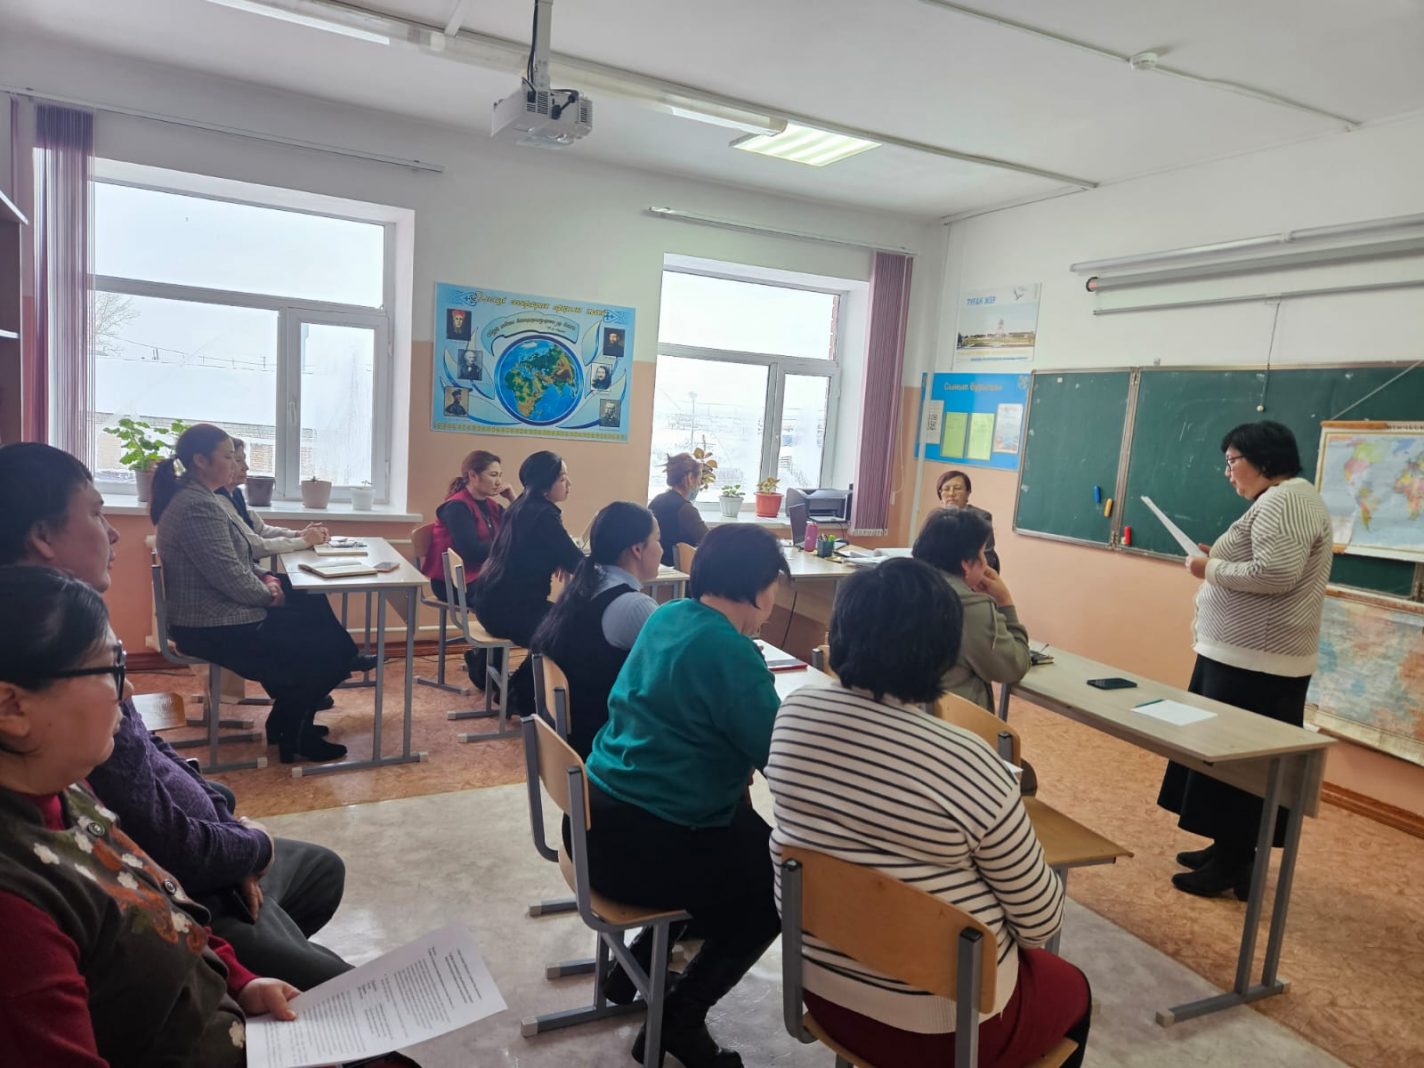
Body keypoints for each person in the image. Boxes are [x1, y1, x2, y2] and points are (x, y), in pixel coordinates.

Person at [0, 441, 351, 988]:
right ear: (42, 537)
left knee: (322, 872)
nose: (113, 532)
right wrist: (243, 851)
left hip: (200, 860)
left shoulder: (78, 632)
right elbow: (156, 846)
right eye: (95, 513)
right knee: (344, 990)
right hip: (189, 880)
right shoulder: (49, 675)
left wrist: (227, 826)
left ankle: (254, 946)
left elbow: (148, 749)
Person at [766, 558, 1090, 1068]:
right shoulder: (969, 763)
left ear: (838, 631)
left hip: (824, 995)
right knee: (1072, 988)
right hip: (945, 1031)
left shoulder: (794, 713)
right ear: (943, 651)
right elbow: (1040, 921)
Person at [0, 565, 300, 1065]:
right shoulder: (14, 913)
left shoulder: (65, 789)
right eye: (110, 670)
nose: (129, 689)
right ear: (12, 708)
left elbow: (155, 906)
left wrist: (242, 982)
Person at [580, 524, 790, 1067]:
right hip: (644, 848)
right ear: (758, 588)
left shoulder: (668, 615)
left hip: (592, 823)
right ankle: (681, 1016)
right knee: (782, 883)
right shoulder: (731, 652)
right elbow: (781, 759)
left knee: (746, 833)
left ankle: (637, 965)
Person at [1158, 421, 1333, 898]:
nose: (1228, 471)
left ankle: (1234, 863)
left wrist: (1209, 568)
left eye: (1232, 460)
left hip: (1256, 663)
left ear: (1263, 459)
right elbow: (1266, 563)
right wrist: (1216, 560)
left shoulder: (1286, 500)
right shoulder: (1283, 498)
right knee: (1224, 761)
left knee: (1237, 763)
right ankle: (1229, 849)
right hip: (1244, 657)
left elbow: (1276, 574)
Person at [151, 424, 354, 763]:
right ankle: (294, 733)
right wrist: (270, 594)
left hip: (220, 614)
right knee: (329, 650)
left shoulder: (205, 498)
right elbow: (230, 576)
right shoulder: (198, 507)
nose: (236, 465)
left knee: (322, 631)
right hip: (213, 626)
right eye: (228, 457)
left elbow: (239, 556)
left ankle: (287, 725)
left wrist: (267, 579)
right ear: (200, 460)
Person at [529, 501, 662, 757]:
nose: (662, 548)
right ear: (637, 549)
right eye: (658, 539)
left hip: (572, 736)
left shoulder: (588, 582)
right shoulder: (635, 607)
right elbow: (675, 674)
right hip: (606, 743)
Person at [471, 450, 583, 713]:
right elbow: (577, 561)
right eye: (562, 478)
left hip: (490, 602)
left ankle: (504, 683)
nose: (569, 484)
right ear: (545, 485)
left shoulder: (523, 504)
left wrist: (558, 556)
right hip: (510, 610)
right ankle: (517, 694)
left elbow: (548, 549)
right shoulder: (543, 515)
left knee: (564, 624)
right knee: (568, 630)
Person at [912, 508, 1030, 711]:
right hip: (947, 719)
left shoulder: (903, 586)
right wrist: (1005, 601)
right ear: (966, 564)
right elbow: (1013, 666)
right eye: (982, 553)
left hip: (903, 711)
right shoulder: (969, 607)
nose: (985, 562)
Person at [219, 437, 330, 555]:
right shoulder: (220, 501)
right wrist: (305, 541)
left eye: (244, 460)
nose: (246, 467)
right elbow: (255, 546)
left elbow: (260, 529)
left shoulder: (235, 493)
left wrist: (298, 534)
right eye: (238, 460)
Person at [648, 452, 708, 567]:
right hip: (678, 570)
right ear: (690, 478)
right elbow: (709, 542)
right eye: (699, 479)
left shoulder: (657, 500)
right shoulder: (686, 509)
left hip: (656, 566)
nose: (699, 484)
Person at [937, 468, 1000, 571]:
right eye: (946, 489)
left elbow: (988, 557)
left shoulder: (980, 518)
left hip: (968, 573)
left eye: (957, 488)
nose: (951, 493)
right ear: (940, 494)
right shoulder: (936, 519)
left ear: (968, 493)